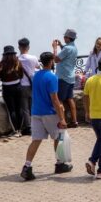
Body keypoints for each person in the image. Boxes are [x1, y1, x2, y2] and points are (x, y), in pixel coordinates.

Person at [20, 52, 72, 181]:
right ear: (51, 62)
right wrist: (62, 118)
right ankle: (59, 164)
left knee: (36, 140)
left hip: (36, 112)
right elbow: (54, 99)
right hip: (49, 113)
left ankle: (27, 167)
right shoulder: (52, 77)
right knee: (58, 137)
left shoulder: (36, 75)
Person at [52, 29, 79, 127]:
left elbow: (55, 60)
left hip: (63, 77)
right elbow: (67, 52)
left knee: (60, 100)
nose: (63, 38)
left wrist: (55, 48)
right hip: (70, 77)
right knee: (70, 99)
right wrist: (61, 46)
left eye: (65, 37)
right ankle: (74, 121)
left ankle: (62, 122)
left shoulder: (67, 49)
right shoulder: (74, 48)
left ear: (68, 38)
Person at [0, 45, 24, 136]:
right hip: (18, 86)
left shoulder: (1, 64)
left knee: (11, 110)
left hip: (7, 88)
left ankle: (15, 130)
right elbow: (21, 75)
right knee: (19, 108)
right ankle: (20, 129)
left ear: (4, 54)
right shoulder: (18, 63)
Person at [18, 38, 38, 136]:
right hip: (32, 85)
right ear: (28, 47)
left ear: (19, 47)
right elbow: (38, 67)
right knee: (32, 106)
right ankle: (35, 125)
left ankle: (28, 127)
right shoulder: (34, 58)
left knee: (25, 108)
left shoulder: (17, 59)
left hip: (22, 85)